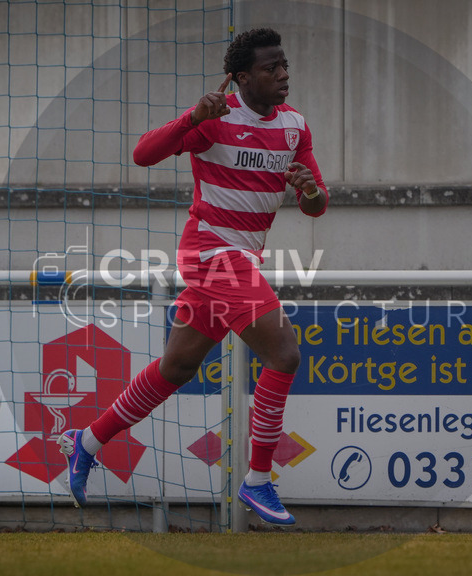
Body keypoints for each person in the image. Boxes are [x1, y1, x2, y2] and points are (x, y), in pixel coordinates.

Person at [58, 28, 328, 526]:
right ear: (242, 78)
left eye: (285, 65)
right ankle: (258, 481)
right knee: (284, 354)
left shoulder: (294, 127)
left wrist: (309, 190)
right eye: (272, 69)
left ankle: (87, 441)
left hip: (240, 259)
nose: (284, 75)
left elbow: (317, 205)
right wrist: (193, 116)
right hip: (211, 254)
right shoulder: (214, 121)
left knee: (177, 367)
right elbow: (142, 155)